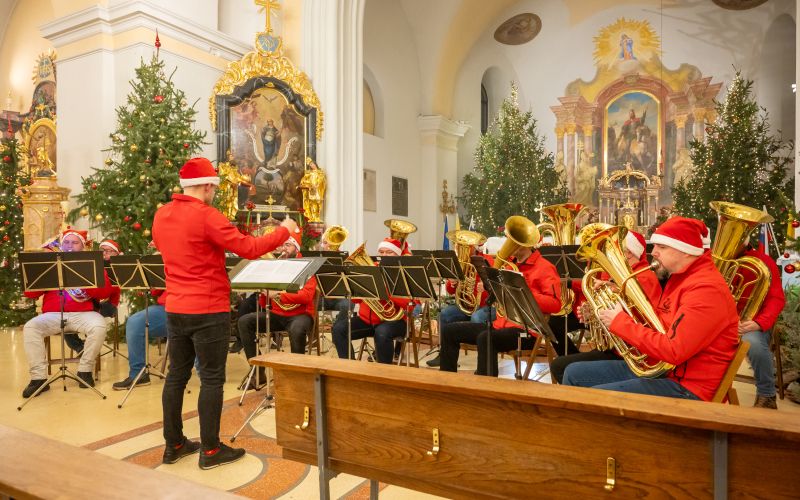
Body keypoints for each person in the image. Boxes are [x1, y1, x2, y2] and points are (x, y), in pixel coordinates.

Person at [153, 157, 298, 469]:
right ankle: (210, 450)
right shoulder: (206, 215)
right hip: (207, 307)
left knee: (176, 376)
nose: (213, 193)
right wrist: (284, 230)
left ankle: (174, 445)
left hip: (176, 306)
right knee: (212, 379)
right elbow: (248, 248)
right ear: (207, 186)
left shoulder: (162, 215)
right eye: (213, 188)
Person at [562, 217, 739, 401]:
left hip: (688, 387)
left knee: (596, 397)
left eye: (662, 247)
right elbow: (659, 327)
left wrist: (620, 322)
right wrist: (615, 311)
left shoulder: (706, 290)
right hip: (666, 371)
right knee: (573, 373)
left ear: (686, 251)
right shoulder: (679, 279)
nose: (653, 253)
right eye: (654, 246)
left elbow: (673, 350)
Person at [439, 225, 562, 377]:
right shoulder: (509, 265)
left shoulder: (545, 267)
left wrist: (525, 292)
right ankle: (445, 381)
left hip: (527, 331)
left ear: (528, 243)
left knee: (486, 338)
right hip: (501, 324)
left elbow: (555, 304)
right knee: (450, 331)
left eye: (514, 239)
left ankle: (488, 389)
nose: (509, 242)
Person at [550, 230, 661, 383]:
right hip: (617, 348)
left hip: (629, 353)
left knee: (560, 366)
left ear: (629, 253)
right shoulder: (622, 277)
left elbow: (638, 321)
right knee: (561, 364)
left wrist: (600, 314)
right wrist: (593, 314)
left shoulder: (642, 278)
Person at [21, 229, 114, 398]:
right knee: (31, 327)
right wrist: (40, 276)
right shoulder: (49, 265)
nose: (70, 246)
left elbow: (105, 293)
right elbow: (30, 294)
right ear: (61, 245)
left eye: (74, 242)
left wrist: (85, 279)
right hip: (53, 314)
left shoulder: (92, 264)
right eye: (66, 242)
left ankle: (85, 371)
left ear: (83, 246)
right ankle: (38, 378)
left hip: (84, 314)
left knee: (99, 325)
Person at [236, 232, 316, 385]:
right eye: (283, 245)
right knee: (244, 322)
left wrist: (278, 295)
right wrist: (262, 289)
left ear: (296, 248)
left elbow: (306, 296)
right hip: (277, 313)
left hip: (300, 314)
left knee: (297, 330)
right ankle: (258, 372)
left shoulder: (307, 266)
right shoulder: (277, 266)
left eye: (288, 245)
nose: (284, 249)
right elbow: (264, 303)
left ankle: (297, 376)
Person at [332, 238, 411, 363]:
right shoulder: (371, 269)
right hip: (367, 320)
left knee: (382, 332)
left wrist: (382, 289)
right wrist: (355, 288)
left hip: (395, 321)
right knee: (339, 329)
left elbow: (408, 304)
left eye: (389, 252)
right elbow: (358, 301)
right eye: (381, 252)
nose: (384, 255)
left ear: (397, 254)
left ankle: (384, 373)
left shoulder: (403, 272)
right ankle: (348, 368)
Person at [426, 242, 495, 368]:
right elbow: (451, 291)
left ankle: (482, 363)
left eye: (466, 245)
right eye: (459, 245)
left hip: (485, 305)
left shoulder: (487, 260)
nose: (461, 248)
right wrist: (452, 283)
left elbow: (496, 286)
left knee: (477, 318)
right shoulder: (458, 262)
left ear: (474, 246)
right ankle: (445, 356)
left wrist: (486, 287)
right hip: (466, 304)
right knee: (445, 314)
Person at [737, 244, 785, 409]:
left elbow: (776, 298)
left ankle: (767, 395)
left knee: (753, 343)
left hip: (754, 322)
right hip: (724, 320)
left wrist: (758, 323)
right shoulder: (717, 260)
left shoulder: (763, 261)